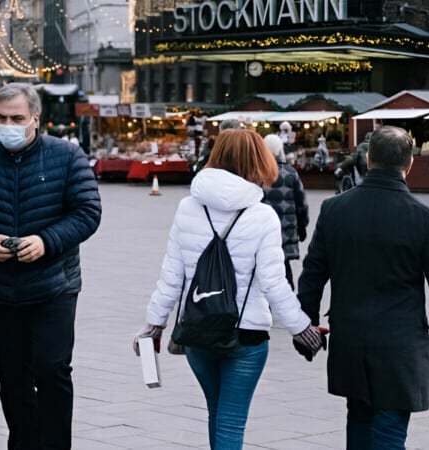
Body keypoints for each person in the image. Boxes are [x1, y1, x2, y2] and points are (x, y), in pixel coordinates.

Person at [137, 129, 324, 450]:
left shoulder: (187, 207)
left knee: (218, 413)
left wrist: (154, 325)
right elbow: (274, 282)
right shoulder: (262, 215)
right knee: (231, 420)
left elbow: (172, 274)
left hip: (198, 330)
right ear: (258, 161)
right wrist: (301, 328)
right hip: (246, 333)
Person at [0, 82, 102, 450]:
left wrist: (46, 241)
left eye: (16, 118)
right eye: (1, 118)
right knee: (13, 380)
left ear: (35, 118)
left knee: (52, 371)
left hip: (55, 286)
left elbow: (88, 212)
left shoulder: (66, 156)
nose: (8, 125)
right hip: (2, 290)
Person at [298, 126, 429, 450]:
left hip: (351, 339)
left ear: (367, 160)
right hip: (399, 342)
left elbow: (312, 273)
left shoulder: (335, 210)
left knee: (359, 421)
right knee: (390, 431)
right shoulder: (422, 217)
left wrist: (305, 323)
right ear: (408, 165)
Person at [262, 133, 310, 288]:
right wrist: (302, 227)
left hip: (261, 233)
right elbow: (301, 204)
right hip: (285, 232)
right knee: (284, 273)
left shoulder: (255, 174)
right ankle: (287, 308)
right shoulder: (290, 173)